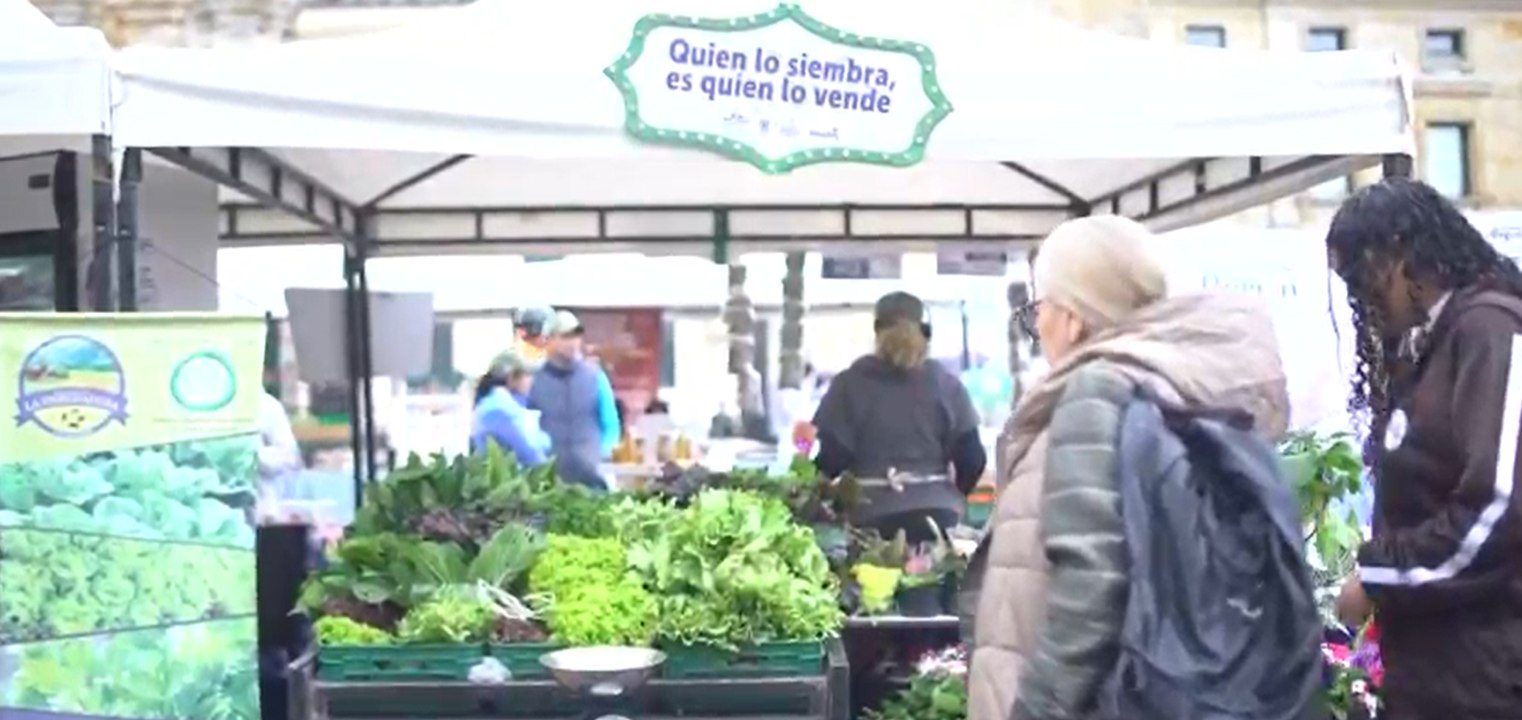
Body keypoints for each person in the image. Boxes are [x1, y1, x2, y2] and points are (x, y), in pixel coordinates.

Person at [963, 216, 1289, 720]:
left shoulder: (1096, 401)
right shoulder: (1184, 392)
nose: (1038, 328)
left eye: (1038, 310)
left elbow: (1090, 594)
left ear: (1070, 317)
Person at [1327, 178, 1522, 720]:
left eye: (1360, 274)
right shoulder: (1435, 345)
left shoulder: (1491, 330)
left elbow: (1501, 507)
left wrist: (1379, 576)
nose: (1357, 295)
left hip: (1490, 681)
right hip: (1440, 678)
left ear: (1400, 250)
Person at [812, 291, 986, 540]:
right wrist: (948, 492)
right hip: (939, 516)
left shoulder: (849, 385)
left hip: (870, 519)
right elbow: (972, 459)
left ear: (876, 330)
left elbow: (832, 459)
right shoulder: (947, 385)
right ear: (925, 331)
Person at [528, 310, 621, 490]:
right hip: (547, 482)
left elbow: (610, 423)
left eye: (575, 336)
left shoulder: (595, 376)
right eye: (565, 336)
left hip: (592, 479)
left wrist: (601, 454)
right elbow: (525, 428)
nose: (572, 343)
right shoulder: (534, 380)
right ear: (548, 340)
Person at [470, 348, 552, 465]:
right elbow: (528, 453)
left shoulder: (506, 406)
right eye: (527, 375)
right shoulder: (497, 410)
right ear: (511, 378)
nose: (531, 380)